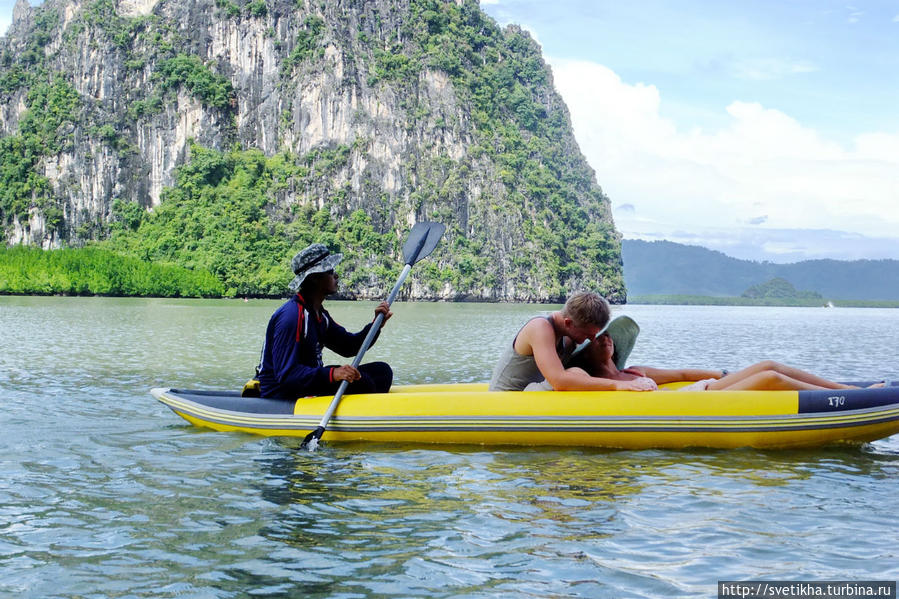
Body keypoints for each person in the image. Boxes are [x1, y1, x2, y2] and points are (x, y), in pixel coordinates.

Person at [578, 315, 883, 391]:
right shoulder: (592, 381)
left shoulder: (636, 371)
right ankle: (852, 397)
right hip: (690, 404)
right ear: (587, 356)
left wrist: (727, 375)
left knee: (768, 364)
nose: (605, 340)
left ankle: (850, 391)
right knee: (771, 377)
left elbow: (684, 374)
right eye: (597, 340)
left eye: (608, 338)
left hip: (702, 390)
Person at [256, 243, 394, 399]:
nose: (336, 276)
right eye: (330, 271)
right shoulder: (292, 316)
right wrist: (333, 373)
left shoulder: (319, 315)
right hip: (282, 393)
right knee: (365, 383)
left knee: (382, 372)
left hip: (306, 383)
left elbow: (349, 346)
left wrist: (375, 325)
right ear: (315, 278)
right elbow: (287, 375)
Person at [489, 292, 657, 392]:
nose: (592, 340)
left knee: (579, 373)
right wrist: (618, 385)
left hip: (537, 392)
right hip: (511, 396)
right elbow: (559, 381)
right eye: (588, 334)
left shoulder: (568, 336)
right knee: (575, 373)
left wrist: (624, 376)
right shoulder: (540, 327)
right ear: (568, 323)